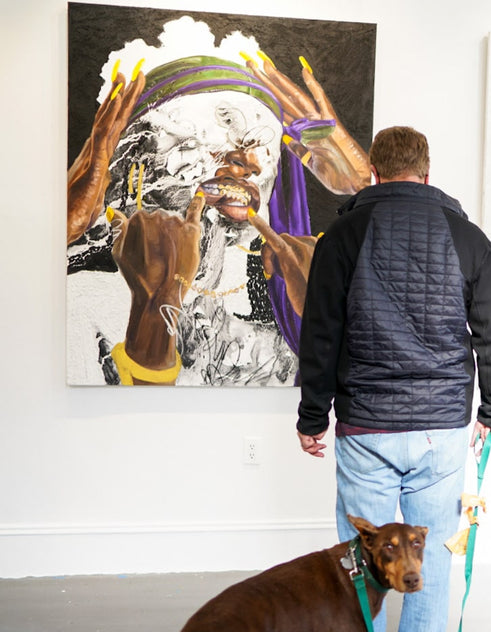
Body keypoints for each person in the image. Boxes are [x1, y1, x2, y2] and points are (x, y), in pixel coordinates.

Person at [295, 126, 491, 632]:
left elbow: (321, 333)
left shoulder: (343, 236)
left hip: (367, 427)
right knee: (431, 557)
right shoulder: (469, 239)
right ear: (427, 171)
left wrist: (312, 416)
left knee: (362, 563)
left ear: (372, 170)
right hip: (441, 431)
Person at [66, 16, 371, 386]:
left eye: (264, 141)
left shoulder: (288, 307)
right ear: (137, 155)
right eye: (222, 123)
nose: (250, 160)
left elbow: (371, 380)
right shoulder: (80, 305)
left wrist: (363, 188)